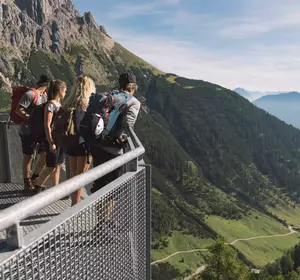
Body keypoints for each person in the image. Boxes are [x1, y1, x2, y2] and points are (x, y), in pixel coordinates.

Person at [89, 73, 141, 218]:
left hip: (96, 143)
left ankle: (99, 218)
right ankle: (103, 221)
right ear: (134, 86)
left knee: (99, 182)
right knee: (113, 186)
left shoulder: (110, 95)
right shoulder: (133, 102)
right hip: (113, 147)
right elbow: (128, 124)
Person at [16, 74, 51, 191]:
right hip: (27, 130)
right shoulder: (31, 94)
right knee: (28, 156)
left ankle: (34, 179)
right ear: (47, 85)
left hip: (39, 131)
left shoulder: (45, 95)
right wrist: (30, 117)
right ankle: (27, 183)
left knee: (44, 156)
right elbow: (18, 110)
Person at [64, 75, 95, 206]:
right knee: (80, 177)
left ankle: (73, 203)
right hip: (84, 145)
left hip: (70, 142)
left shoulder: (70, 103)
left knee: (73, 175)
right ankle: (74, 207)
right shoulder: (88, 105)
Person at [34, 80, 67, 192]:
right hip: (52, 140)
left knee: (57, 165)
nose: (65, 93)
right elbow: (47, 125)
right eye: (64, 90)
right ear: (59, 90)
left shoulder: (58, 104)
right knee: (51, 166)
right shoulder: (50, 105)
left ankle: (55, 189)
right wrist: (50, 141)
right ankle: (37, 186)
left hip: (59, 139)